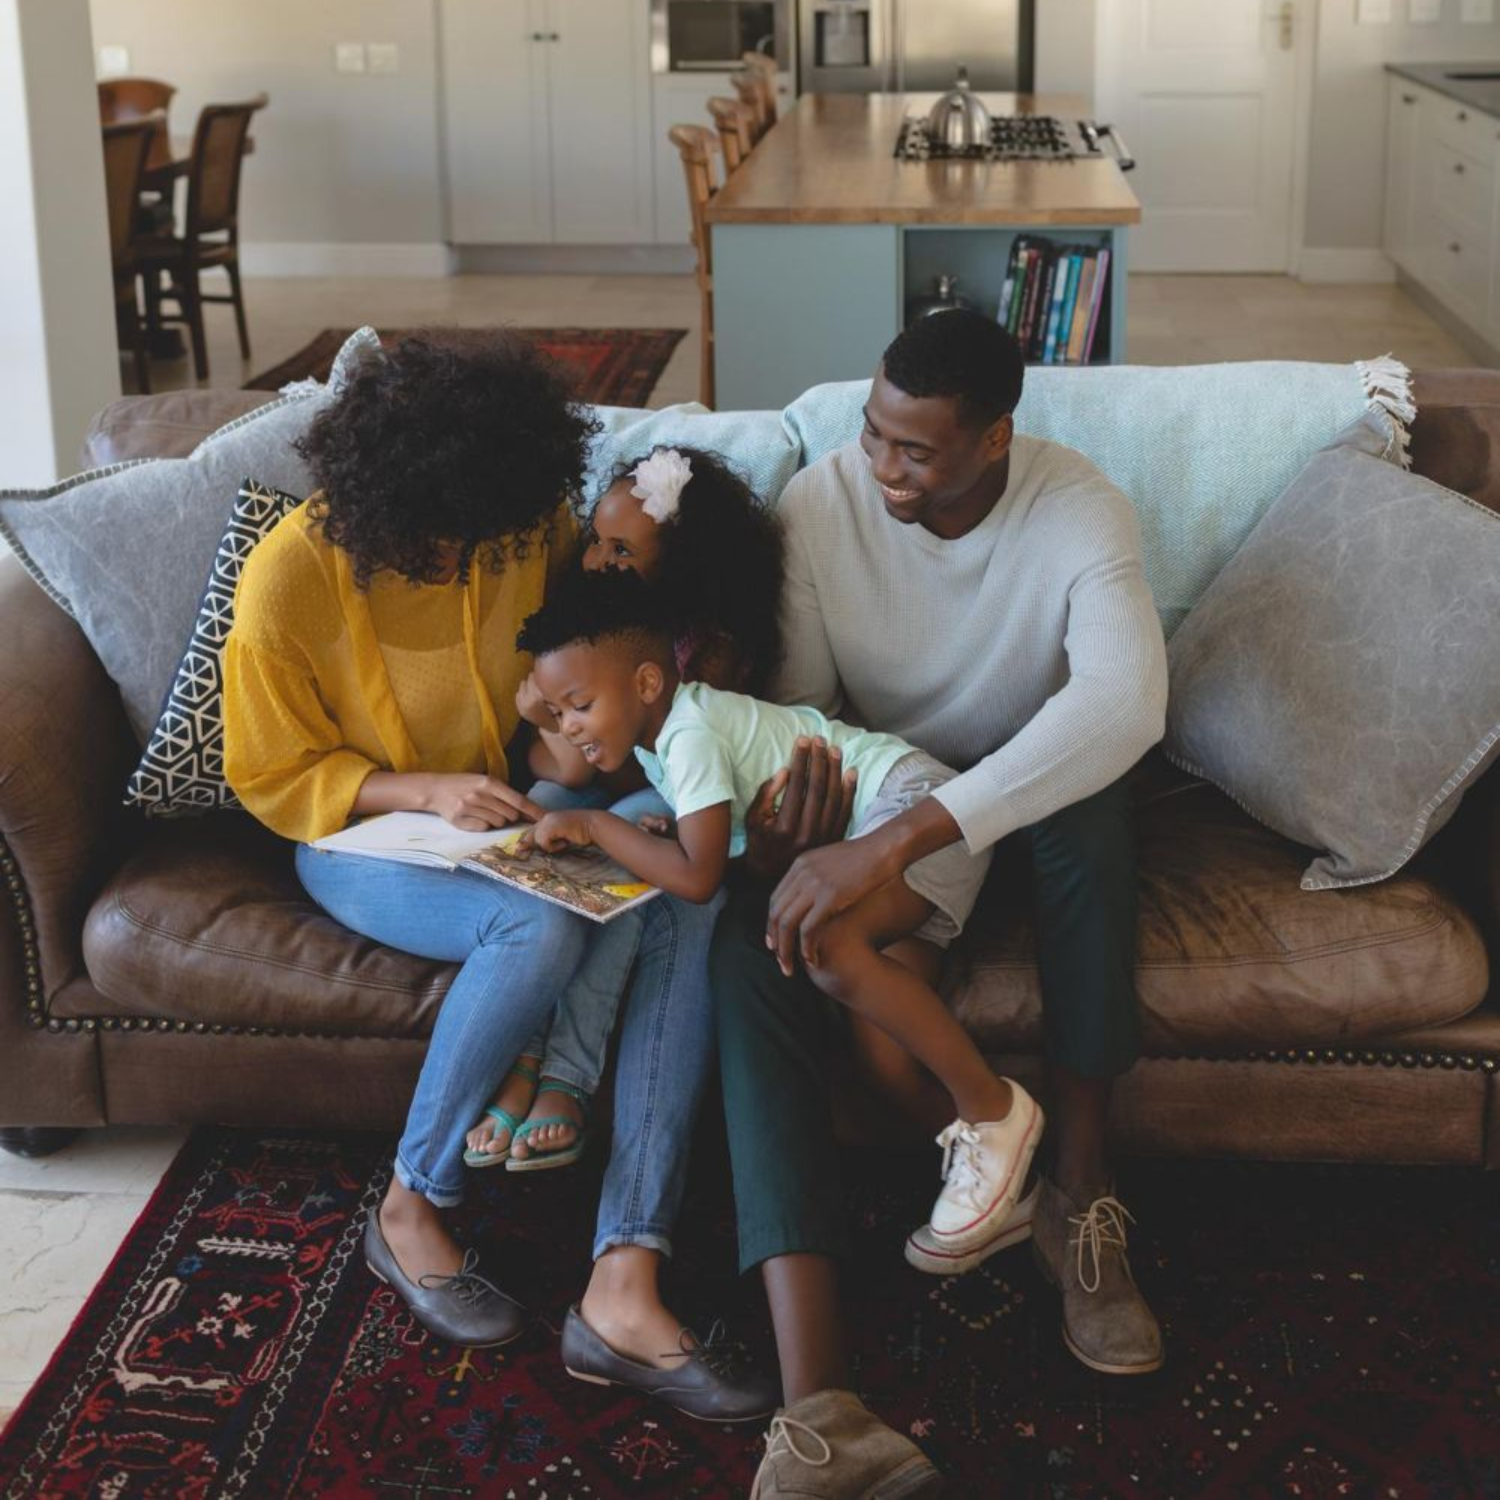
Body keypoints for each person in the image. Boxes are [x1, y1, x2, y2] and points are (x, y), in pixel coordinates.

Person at [223, 331, 774, 1422]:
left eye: (481, 541)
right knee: (537, 928)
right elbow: (272, 771)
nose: (462, 563)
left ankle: (625, 1278)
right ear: (381, 499)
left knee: (678, 889)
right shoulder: (292, 573)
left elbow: (590, 675)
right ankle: (413, 1204)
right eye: (438, 542)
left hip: (512, 816)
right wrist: (419, 789)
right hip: (362, 834)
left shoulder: (517, 528)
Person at [710, 310, 1170, 1498]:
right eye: (874, 435)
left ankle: (1080, 1187)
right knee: (777, 948)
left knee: (1094, 818)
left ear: (996, 439)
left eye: (917, 452)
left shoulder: (1079, 508)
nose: (885, 468)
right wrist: (804, 815)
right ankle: (970, 1174)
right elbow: (809, 707)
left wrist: (917, 833)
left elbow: (1123, 705)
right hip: (898, 780)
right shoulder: (823, 505)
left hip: (1035, 782)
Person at [513, 555, 1045, 1265]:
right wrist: (665, 835)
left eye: (579, 704)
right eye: (555, 713)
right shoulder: (659, 747)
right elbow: (723, 855)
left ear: (646, 681)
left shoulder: (686, 733)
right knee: (883, 1057)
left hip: (911, 810)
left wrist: (597, 827)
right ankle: (1009, 1180)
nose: (570, 727)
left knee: (823, 945)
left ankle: (996, 1110)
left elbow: (699, 881)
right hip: (898, 845)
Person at [462, 445, 785, 1170]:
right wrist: (552, 727)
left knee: (613, 866)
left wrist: (549, 720)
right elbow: (559, 767)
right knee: (537, 812)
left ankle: (564, 1075)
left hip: (677, 788)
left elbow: (602, 759)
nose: (600, 562)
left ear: (681, 560)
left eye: (622, 549)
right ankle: (523, 1053)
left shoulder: (702, 648)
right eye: (595, 544)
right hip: (600, 780)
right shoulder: (584, 618)